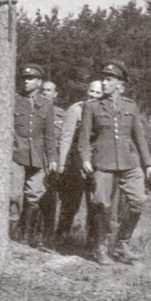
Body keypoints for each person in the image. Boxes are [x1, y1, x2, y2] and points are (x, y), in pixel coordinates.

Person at [79, 61, 151, 265]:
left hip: (127, 163)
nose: (104, 83)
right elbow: (84, 138)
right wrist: (86, 159)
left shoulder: (129, 106)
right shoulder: (92, 106)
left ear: (120, 84)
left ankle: (122, 243)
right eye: (104, 79)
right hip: (103, 162)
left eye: (109, 79)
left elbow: (139, 138)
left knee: (138, 200)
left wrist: (148, 164)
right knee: (101, 205)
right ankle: (100, 247)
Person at [10, 64, 57, 247]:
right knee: (13, 195)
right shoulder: (14, 100)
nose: (26, 81)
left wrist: (52, 158)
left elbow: (49, 135)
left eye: (30, 78)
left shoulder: (46, 105)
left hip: (37, 156)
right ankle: (10, 230)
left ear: (39, 82)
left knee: (34, 195)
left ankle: (26, 233)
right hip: (16, 153)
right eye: (24, 78)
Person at [55, 80, 102, 244]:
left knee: (95, 201)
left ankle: (92, 239)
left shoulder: (104, 111)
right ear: (86, 91)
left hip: (97, 160)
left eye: (98, 93)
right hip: (76, 160)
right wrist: (62, 163)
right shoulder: (76, 109)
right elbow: (66, 137)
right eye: (92, 91)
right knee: (71, 200)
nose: (94, 96)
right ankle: (61, 235)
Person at [38, 81, 65, 245]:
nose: (45, 93)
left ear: (55, 94)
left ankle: (47, 236)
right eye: (43, 90)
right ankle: (26, 232)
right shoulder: (35, 111)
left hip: (53, 160)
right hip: (36, 157)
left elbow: (65, 138)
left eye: (49, 91)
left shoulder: (62, 115)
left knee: (50, 197)